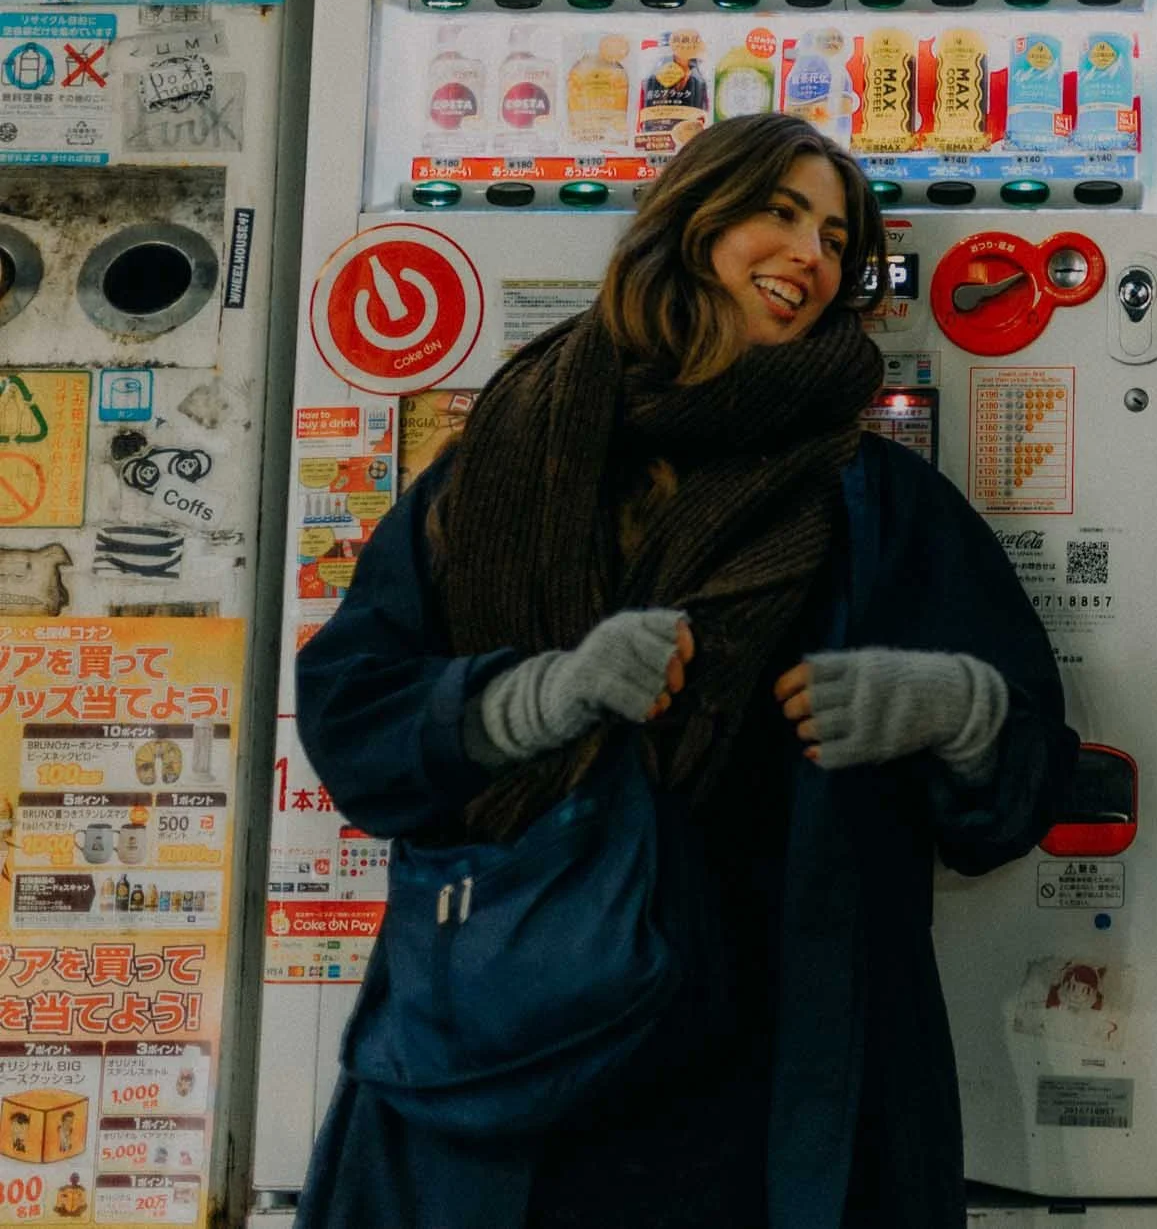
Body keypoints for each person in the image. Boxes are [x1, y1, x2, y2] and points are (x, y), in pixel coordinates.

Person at [293, 113, 1076, 1229]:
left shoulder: (880, 502)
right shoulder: (515, 452)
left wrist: (954, 708)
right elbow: (352, 712)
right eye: (780, 211)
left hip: (776, 1088)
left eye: (836, 236)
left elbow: (1028, 780)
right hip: (518, 1063)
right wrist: (535, 698)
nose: (811, 253)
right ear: (692, 221)